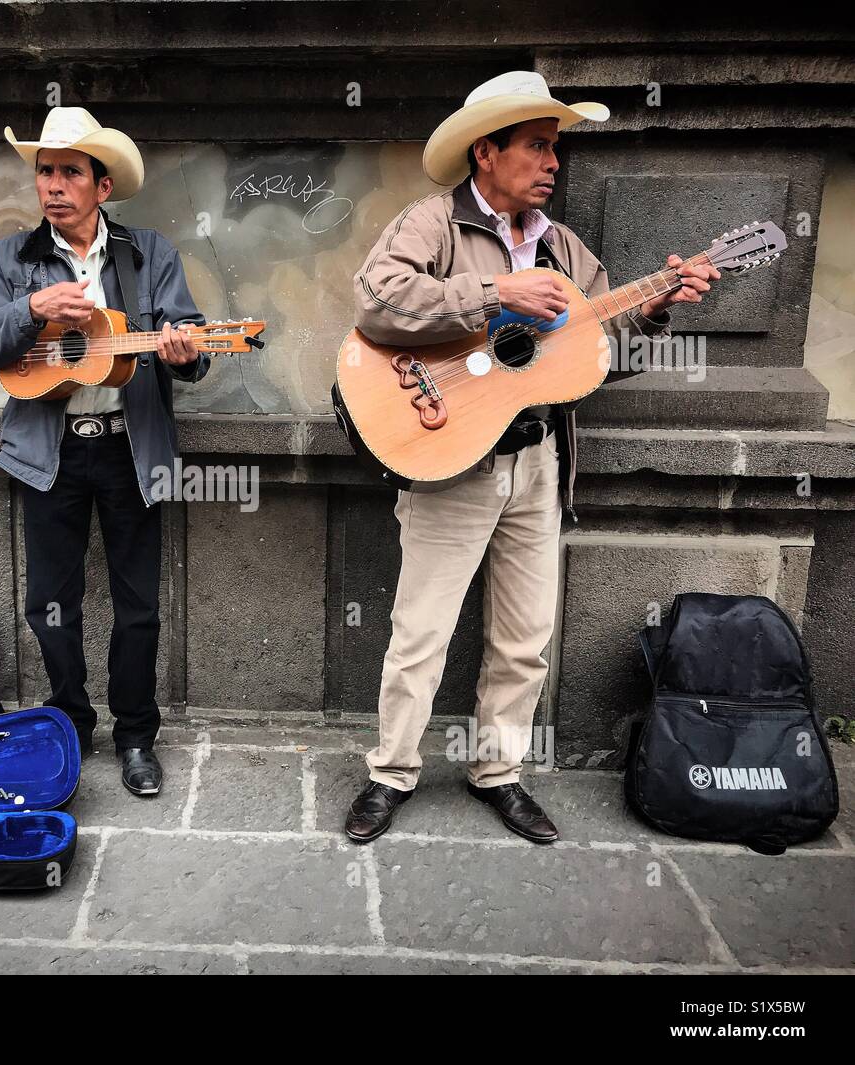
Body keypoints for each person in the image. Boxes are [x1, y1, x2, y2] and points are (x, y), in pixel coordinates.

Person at [344, 72, 720, 843]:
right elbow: (374, 298)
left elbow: (597, 355)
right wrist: (494, 294)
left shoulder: (564, 247)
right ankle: (391, 773)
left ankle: (499, 772)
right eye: (538, 146)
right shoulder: (433, 223)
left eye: (557, 149)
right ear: (487, 151)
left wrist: (650, 309)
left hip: (539, 462)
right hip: (451, 455)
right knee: (421, 631)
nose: (554, 162)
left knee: (524, 636)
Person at [0, 108, 209, 796]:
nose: (54, 184)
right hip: (51, 453)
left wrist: (186, 349)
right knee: (49, 602)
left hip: (131, 449)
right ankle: (67, 723)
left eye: (70, 171)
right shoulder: (10, 259)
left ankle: (135, 736)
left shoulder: (147, 253)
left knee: (139, 606)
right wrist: (33, 310)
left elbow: (190, 346)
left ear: (102, 186)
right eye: (46, 171)